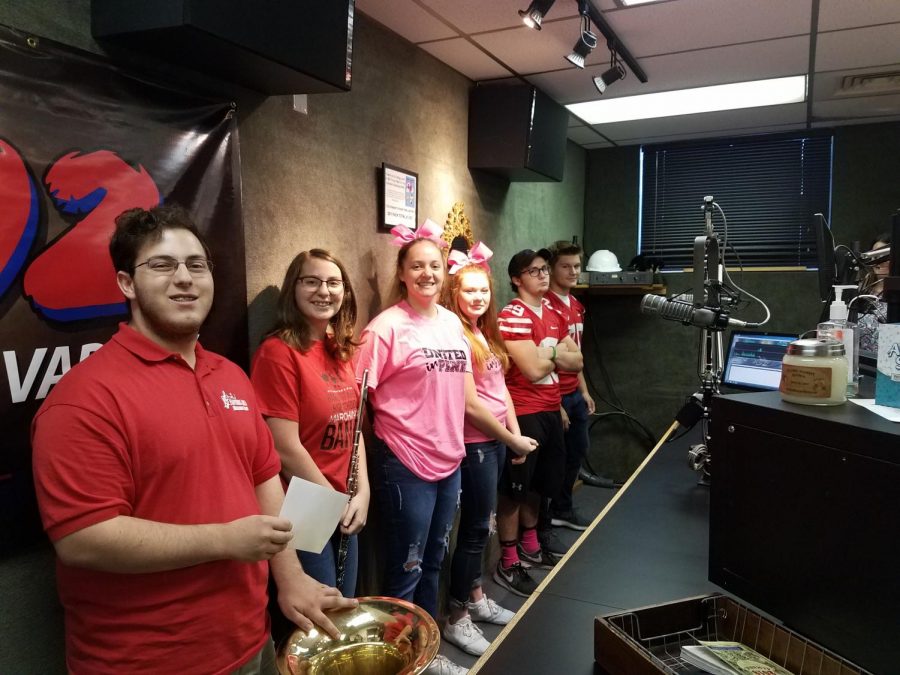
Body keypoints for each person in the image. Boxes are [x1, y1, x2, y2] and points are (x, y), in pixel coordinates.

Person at [31, 205, 356, 675]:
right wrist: (226, 540)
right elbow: (84, 539)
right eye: (162, 265)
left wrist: (291, 578)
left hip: (250, 640)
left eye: (196, 265)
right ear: (127, 283)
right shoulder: (84, 399)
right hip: (146, 660)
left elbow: (265, 479)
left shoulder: (229, 376)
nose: (184, 278)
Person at [355, 219, 470, 675]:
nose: (427, 273)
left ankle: (427, 654)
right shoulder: (385, 328)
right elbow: (357, 397)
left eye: (434, 266)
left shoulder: (452, 322)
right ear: (401, 273)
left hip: (450, 460)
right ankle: (398, 662)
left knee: (435, 562)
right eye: (416, 266)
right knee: (407, 569)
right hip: (405, 463)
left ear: (445, 272)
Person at [250, 249, 369, 597]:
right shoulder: (277, 352)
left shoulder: (338, 347)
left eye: (333, 282)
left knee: (344, 603)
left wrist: (363, 492)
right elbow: (284, 447)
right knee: (320, 617)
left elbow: (354, 429)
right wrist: (335, 500)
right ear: (294, 288)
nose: (324, 291)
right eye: (311, 281)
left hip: (343, 500)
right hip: (305, 503)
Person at [440, 243, 538, 656]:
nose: (478, 297)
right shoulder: (455, 334)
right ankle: (456, 616)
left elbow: (501, 392)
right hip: (476, 442)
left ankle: (477, 598)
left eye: (483, 290)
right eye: (469, 291)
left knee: (487, 523)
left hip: (497, 442)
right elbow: (470, 404)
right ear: (454, 294)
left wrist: (514, 437)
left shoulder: (484, 331)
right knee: (476, 529)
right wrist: (508, 437)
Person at [494, 249, 582, 598]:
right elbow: (529, 371)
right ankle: (509, 559)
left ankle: (531, 545)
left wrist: (547, 354)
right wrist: (555, 357)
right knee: (514, 491)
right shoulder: (512, 315)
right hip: (524, 411)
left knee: (540, 486)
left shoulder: (553, 311)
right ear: (517, 279)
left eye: (545, 270)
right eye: (534, 271)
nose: (543, 276)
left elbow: (577, 361)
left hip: (549, 406)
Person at [543, 241, 613, 536]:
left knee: (578, 450)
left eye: (576, 266)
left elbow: (576, 358)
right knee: (555, 459)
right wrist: (555, 403)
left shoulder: (576, 305)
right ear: (552, 269)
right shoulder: (544, 306)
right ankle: (548, 516)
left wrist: (584, 391)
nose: (573, 271)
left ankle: (563, 507)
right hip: (553, 396)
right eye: (565, 266)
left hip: (574, 393)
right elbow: (543, 361)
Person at [857, 233, 890, 355]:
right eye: (875, 255)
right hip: (862, 362)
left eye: (884, 256)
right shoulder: (862, 288)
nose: (878, 261)